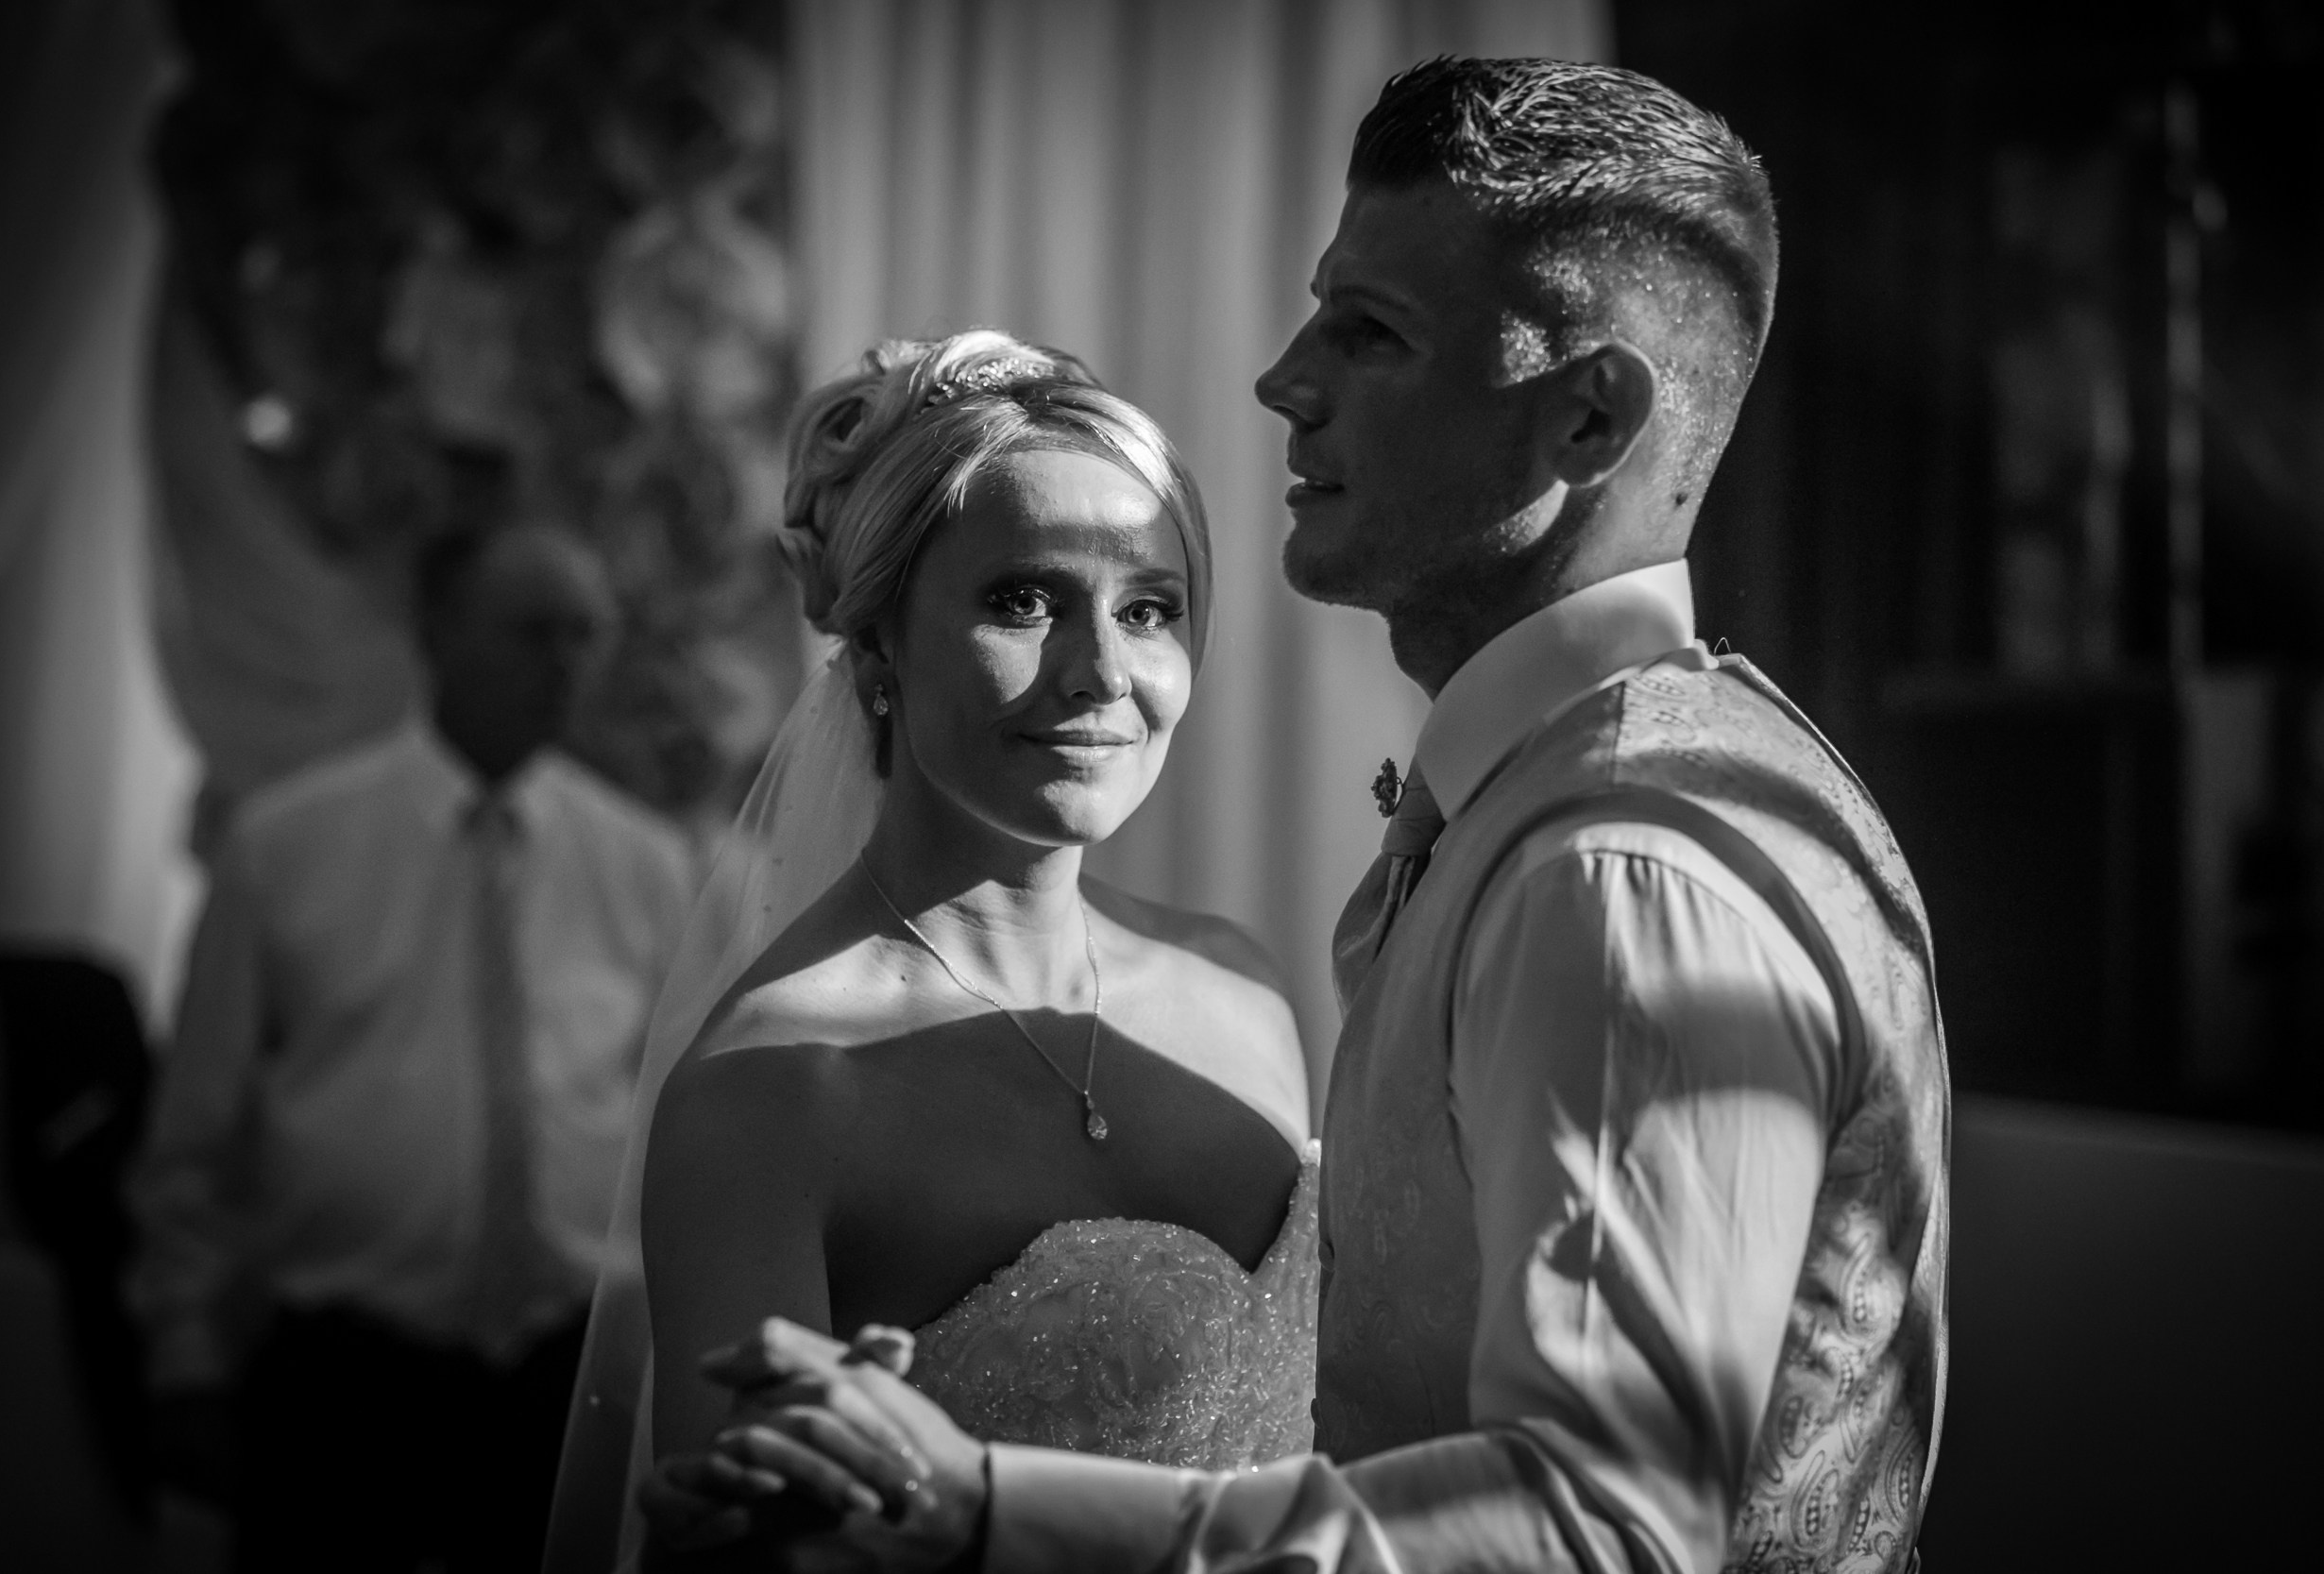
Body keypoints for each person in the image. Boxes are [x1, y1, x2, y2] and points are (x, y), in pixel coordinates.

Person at [655, 56, 1951, 1574]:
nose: (1281, 378)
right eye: (1020, 599)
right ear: (874, 641)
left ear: (1589, 420)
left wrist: (994, 1510)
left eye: (1370, 331)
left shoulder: (1618, 866)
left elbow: (1606, 1520)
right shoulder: (1567, 803)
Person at [540, 330, 1317, 1573]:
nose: (1103, 671)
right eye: (1023, 599)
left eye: (1149, 608)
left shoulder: (1246, 988)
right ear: (879, 645)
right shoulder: (777, 1086)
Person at [131, 524, 696, 1573]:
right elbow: (194, 1134)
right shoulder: (285, 844)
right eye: (533, 631)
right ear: (436, 631)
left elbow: (676, 1124)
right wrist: (183, 1353)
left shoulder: (645, 861)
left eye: (587, 634)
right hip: (345, 1372)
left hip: (567, 1375)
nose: (566, 664)